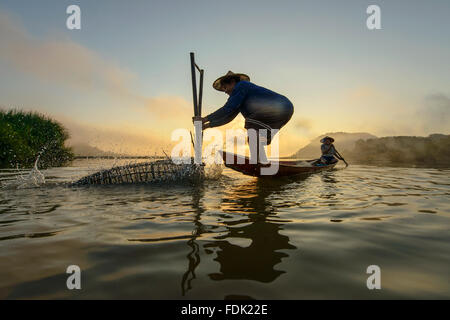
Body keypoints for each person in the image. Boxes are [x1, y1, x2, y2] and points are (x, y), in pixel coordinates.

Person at [193, 71, 294, 163]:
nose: (225, 92)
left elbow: (227, 108)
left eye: (225, 88)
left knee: (251, 125)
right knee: (257, 137)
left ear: (232, 82)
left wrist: (204, 119)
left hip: (279, 107)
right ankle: (262, 162)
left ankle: (258, 162)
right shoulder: (239, 97)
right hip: (284, 110)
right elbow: (228, 117)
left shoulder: (241, 86)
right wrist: (207, 126)